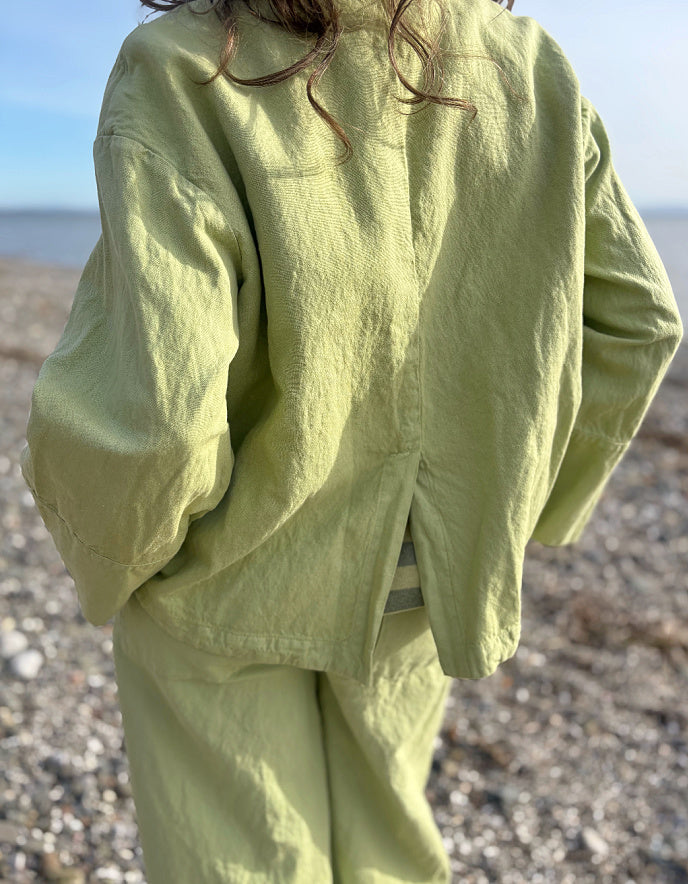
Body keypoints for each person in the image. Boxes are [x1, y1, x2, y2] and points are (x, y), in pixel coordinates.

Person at [20, 0, 683, 879]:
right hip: (423, 572)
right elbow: (638, 322)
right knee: (387, 840)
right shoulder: (526, 65)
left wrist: (110, 559)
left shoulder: (185, 66)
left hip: (229, 566)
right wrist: (516, 510)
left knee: (235, 850)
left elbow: (162, 416)